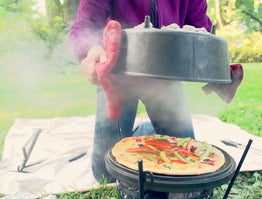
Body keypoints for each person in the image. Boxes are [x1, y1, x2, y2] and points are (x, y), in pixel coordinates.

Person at [69, 0, 213, 182]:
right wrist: (91, 49)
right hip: (117, 76)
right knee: (107, 173)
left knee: (186, 161)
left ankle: (145, 131)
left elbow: (203, 30)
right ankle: (142, 133)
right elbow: (85, 24)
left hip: (164, 79)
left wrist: (218, 65)